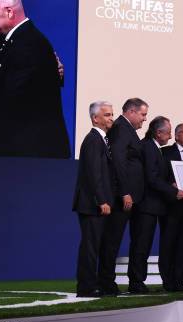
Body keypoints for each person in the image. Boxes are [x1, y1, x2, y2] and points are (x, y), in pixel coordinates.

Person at [0, 0, 70, 158]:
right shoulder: (16, 39)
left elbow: (8, 102)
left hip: (29, 155)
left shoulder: (26, 45)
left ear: (9, 12)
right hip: (9, 150)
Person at [99, 97, 147, 296]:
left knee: (115, 240)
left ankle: (112, 282)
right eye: (143, 115)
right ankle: (106, 283)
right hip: (122, 197)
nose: (144, 119)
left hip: (131, 196)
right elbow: (117, 160)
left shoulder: (126, 129)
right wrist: (125, 191)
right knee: (112, 241)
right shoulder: (121, 128)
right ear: (131, 112)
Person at [128, 116, 181, 294]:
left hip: (151, 206)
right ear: (158, 133)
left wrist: (170, 184)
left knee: (143, 245)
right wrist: (173, 191)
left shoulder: (153, 147)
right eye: (168, 132)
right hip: (146, 206)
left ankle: (137, 281)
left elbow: (156, 176)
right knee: (141, 245)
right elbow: (152, 178)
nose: (171, 137)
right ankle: (136, 283)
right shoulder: (149, 147)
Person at [71, 101, 115, 298]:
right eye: (107, 115)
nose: (111, 118)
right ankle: (87, 287)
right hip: (92, 205)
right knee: (90, 247)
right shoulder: (93, 140)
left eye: (111, 114)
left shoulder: (101, 140)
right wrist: (101, 200)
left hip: (96, 203)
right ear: (95, 118)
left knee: (95, 246)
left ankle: (93, 284)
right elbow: (93, 173)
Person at [160, 123, 183, 292]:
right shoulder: (165, 152)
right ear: (176, 135)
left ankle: (179, 281)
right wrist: (171, 187)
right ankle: (168, 282)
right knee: (168, 245)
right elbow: (158, 177)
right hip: (170, 207)